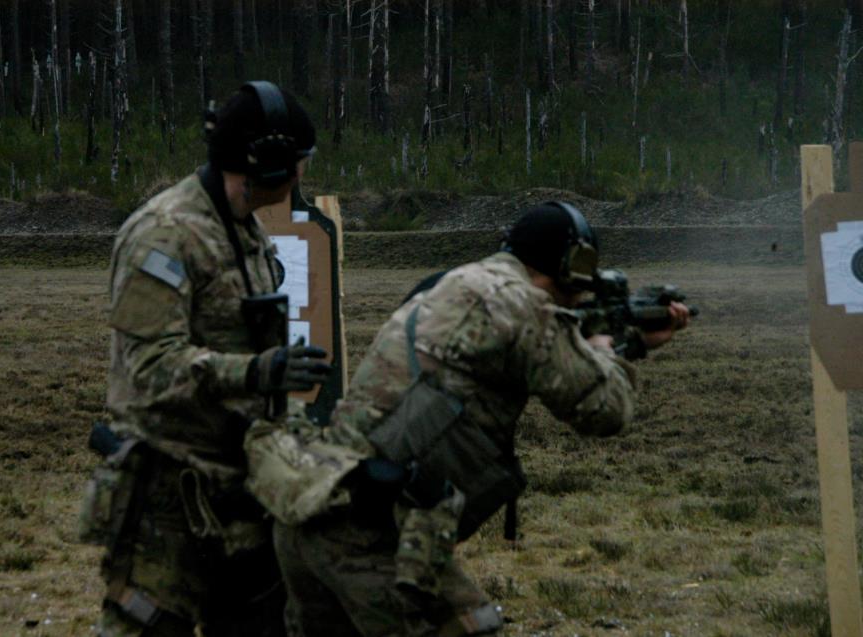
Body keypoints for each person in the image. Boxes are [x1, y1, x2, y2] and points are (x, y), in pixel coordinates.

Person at [271, 202, 691, 636]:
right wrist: (612, 352)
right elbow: (605, 411)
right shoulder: (525, 306)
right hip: (370, 535)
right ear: (572, 265)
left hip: (313, 506)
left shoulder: (445, 286)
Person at [93, 81, 332, 636]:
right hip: (165, 497)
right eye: (298, 163)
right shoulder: (166, 235)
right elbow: (150, 366)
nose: (302, 176)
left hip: (237, 487)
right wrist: (255, 371)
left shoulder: (245, 234)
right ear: (268, 164)